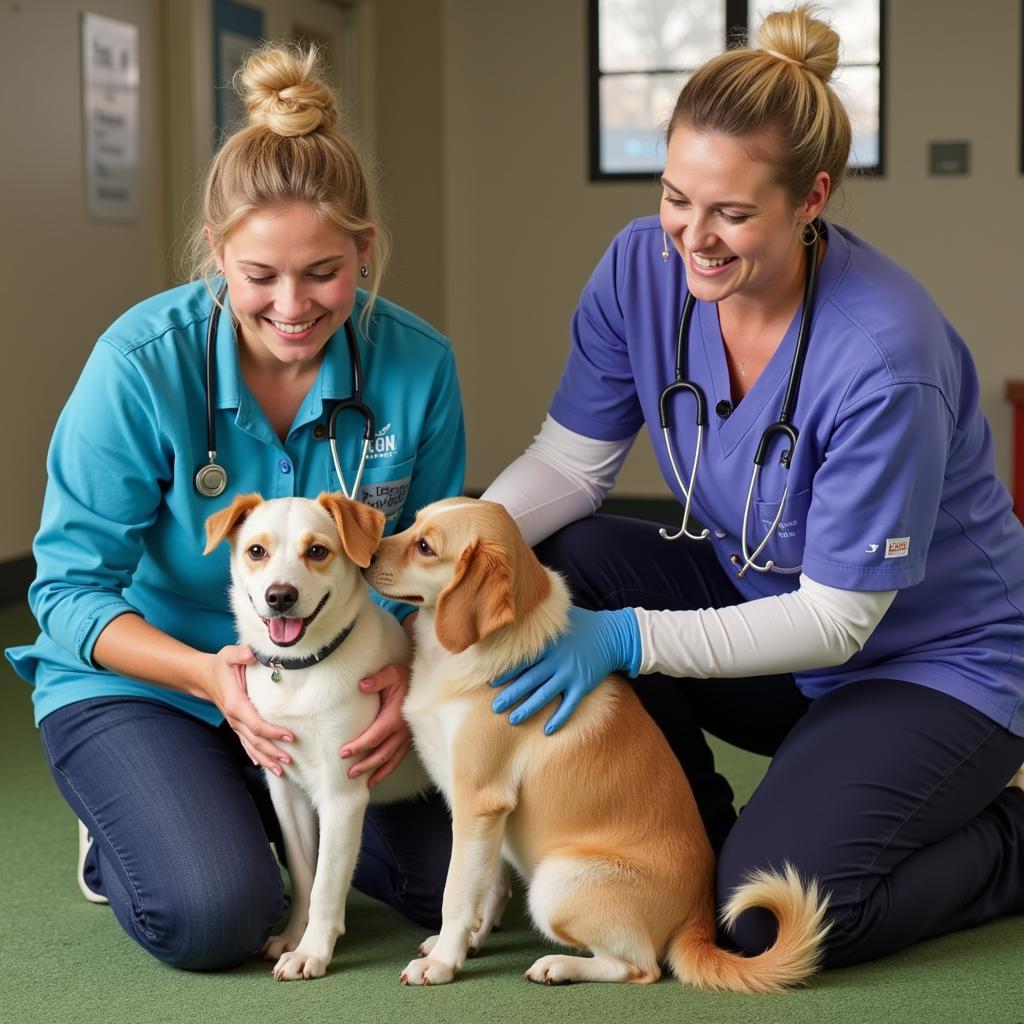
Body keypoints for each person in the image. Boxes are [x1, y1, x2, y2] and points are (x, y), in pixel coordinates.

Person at [482, 5, 1024, 969]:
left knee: (763, 920)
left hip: (934, 668)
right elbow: (572, 468)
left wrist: (628, 639)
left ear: (811, 198)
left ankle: (1012, 840)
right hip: (771, 625)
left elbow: (840, 622)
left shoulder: (883, 355)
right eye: (676, 197)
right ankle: (689, 828)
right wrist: (460, 548)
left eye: (732, 212)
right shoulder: (637, 271)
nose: (695, 237)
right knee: (566, 556)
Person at [6, 45, 463, 970]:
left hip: (332, 685)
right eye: (259, 275)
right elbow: (64, 593)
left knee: (456, 880)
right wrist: (213, 677)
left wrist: (412, 683)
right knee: (215, 914)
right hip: (149, 680)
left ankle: (256, 801)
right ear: (217, 255)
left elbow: (436, 567)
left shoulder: (417, 366)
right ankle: (150, 811)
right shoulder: (140, 365)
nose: (292, 307)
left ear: (365, 252)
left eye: (324, 273)